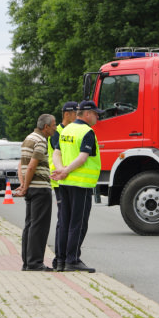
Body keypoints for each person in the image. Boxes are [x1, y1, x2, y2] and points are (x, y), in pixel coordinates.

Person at [51, 100, 103, 273]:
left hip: (64, 183)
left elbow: (56, 153)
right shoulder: (87, 131)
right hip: (79, 184)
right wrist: (66, 170)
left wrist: (61, 170)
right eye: (95, 113)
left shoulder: (67, 130)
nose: (97, 116)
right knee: (77, 223)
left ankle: (60, 260)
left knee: (64, 222)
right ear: (87, 114)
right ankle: (72, 260)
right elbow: (82, 158)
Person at [14, 114, 57, 272]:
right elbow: (31, 166)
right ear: (46, 127)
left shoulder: (28, 138)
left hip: (31, 188)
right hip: (39, 188)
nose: (55, 128)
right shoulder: (41, 141)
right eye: (53, 125)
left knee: (30, 225)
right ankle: (35, 263)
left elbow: (21, 165)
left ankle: (27, 261)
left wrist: (24, 184)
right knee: (39, 227)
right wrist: (25, 186)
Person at [48, 101, 78, 270]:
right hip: (59, 181)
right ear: (67, 114)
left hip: (66, 179)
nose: (77, 116)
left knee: (66, 220)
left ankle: (63, 257)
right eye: (76, 113)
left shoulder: (68, 131)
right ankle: (59, 258)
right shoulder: (57, 132)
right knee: (63, 221)